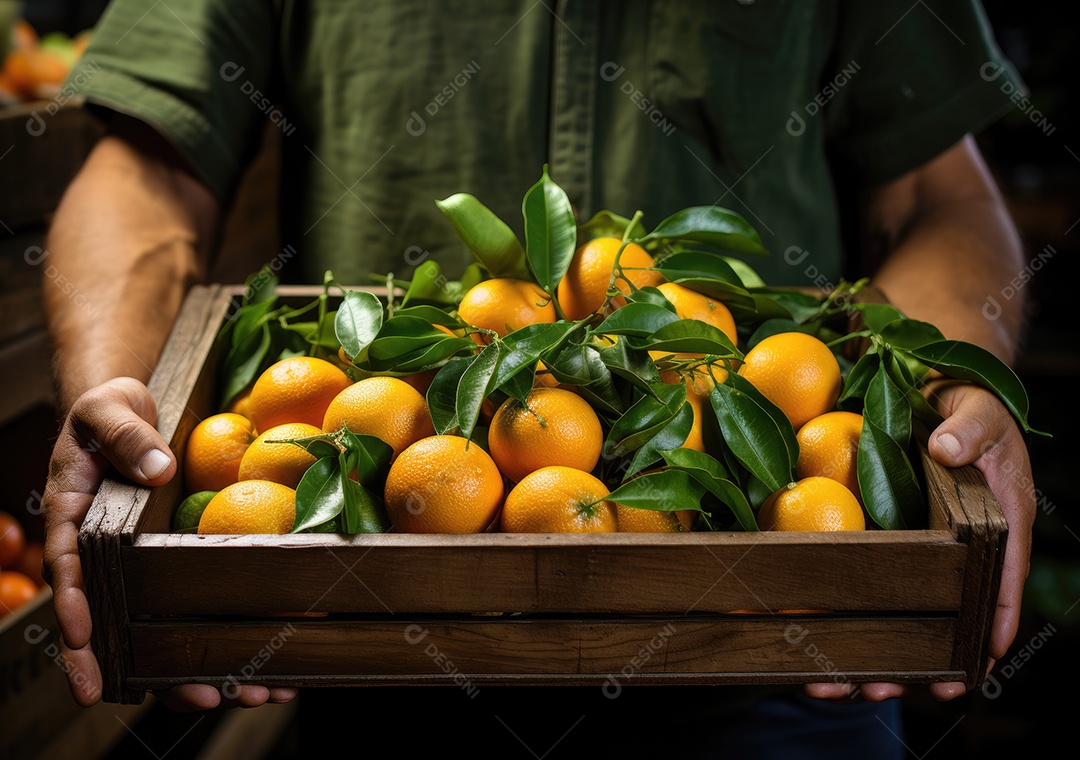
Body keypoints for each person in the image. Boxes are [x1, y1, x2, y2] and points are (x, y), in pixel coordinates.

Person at [40, 0, 1035, 755]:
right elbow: (146, 169)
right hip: (366, 639)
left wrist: (948, 396)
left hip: (776, 651)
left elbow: (938, 196)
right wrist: (125, 401)